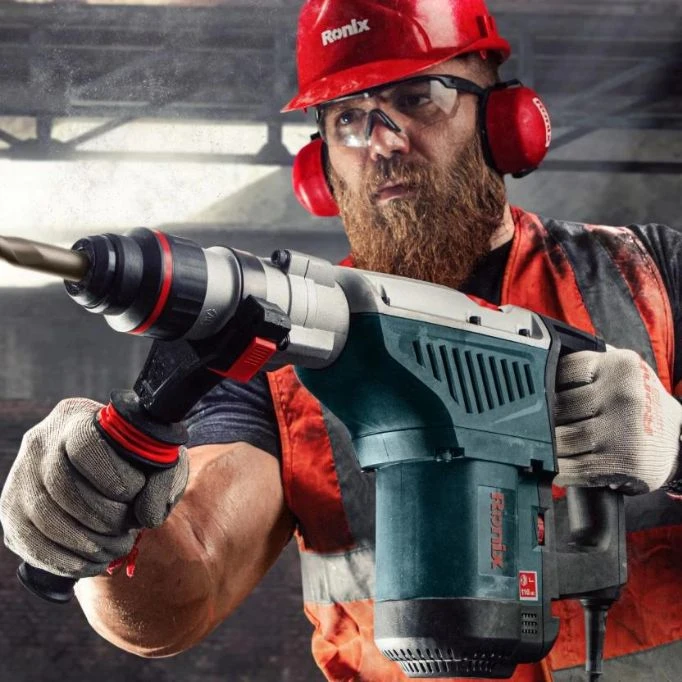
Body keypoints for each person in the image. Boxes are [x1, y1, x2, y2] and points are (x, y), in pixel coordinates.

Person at [1, 1, 681, 680]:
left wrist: (675, 450)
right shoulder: (283, 343)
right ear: (319, 164)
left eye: (419, 97)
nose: (381, 142)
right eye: (348, 119)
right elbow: (179, 595)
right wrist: (99, 530)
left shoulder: (649, 274)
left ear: (505, 119)